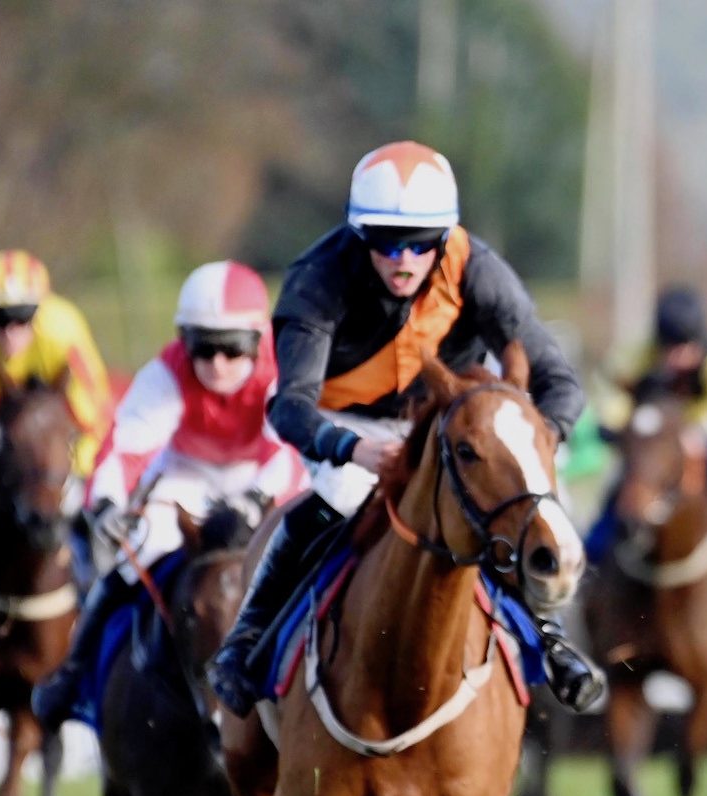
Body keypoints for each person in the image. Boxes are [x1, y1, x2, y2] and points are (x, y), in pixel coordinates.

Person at [204, 141, 601, 717]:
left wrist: (539, 442)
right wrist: (351, 447)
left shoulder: (479, 271)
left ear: (445, 236)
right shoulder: (319, 279)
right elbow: (289, 407)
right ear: (360, 235)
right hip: (341, 423)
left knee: (495, 499)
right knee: (340, 495)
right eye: (387, 242)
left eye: (422, 243)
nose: (404, 259)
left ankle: (550, 636)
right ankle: (248, 639)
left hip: (442, 422)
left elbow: (560, 385)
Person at [31, 262, 307, 728]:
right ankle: (75, 673)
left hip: (265, 475)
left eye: (232, 348)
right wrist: (107, 504)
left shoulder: (282, 368)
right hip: (187, 474)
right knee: (133, 549)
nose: (217, 363)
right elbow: (125, 447)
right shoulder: (167, 370)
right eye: (203, 346)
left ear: (258, 340)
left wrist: (256, 499)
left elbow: (292, 451)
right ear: (184, 341)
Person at [592, 286, 707, 571]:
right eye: (670, 348)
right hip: (655, 450)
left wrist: (696, 434)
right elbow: (618, 394)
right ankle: (593, 548)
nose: (676, 357)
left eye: (684, 348)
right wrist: (614, 425)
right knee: (622, 487)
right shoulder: (646, 356)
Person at [0, 249, 113, 512]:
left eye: (22, 315)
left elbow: (95, 413)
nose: (9, 331)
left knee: (74, 500)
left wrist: (79, 466)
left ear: (40, 309)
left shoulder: (63, 332)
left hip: (45, 431)